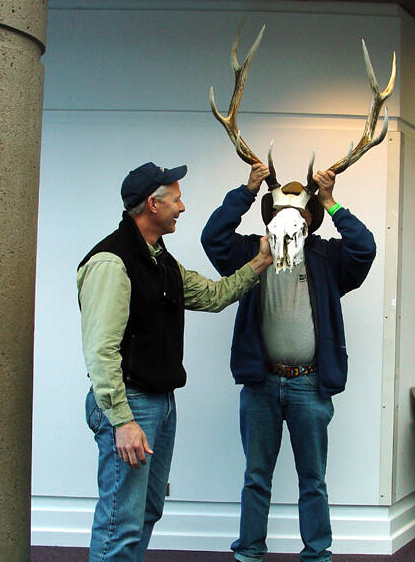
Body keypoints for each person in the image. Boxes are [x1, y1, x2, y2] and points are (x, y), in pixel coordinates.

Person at [77, 162, 273, 562]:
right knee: (121, 521)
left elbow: (214, 296)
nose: (182, 207)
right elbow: (101, 352)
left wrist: (260, 261)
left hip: (160, 404)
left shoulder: (161, 260)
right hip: (129, 407)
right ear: (153, 204)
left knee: (147, 510)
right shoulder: (111, 263)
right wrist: (123, 421)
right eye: (177, 199)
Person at [201, 162, 377, 562]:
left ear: (309, 219)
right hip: (260, 386)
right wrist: (246, 191)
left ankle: (317, 554)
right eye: (280, 211)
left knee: (313, 480)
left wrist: (331, 202)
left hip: (310, 387)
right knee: (256, 478)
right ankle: (249, 552)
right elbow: (212, 237)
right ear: (269, 215)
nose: (289, 218)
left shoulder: (329, 258)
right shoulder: (251, 252)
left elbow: (365, 247)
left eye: (298, 212)